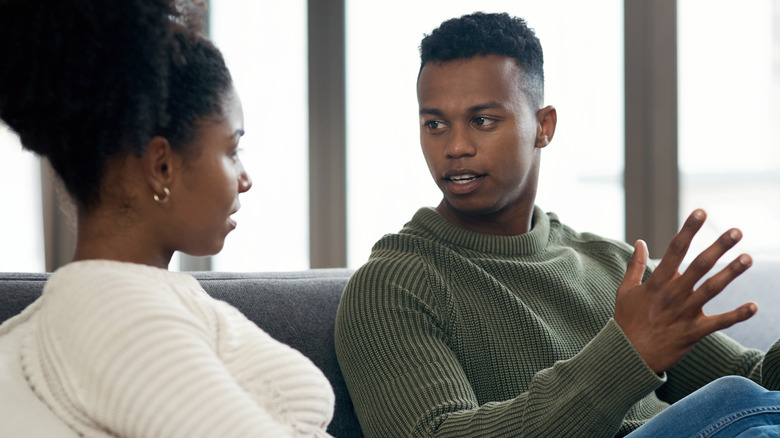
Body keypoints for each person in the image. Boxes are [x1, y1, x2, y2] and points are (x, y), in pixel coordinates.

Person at [334, 12, 780, 437]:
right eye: (435, 124)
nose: (455, 147)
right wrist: (626, 356)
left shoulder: (611, 265)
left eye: (482, 120)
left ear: (543, 126)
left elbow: (759, 384)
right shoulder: (393, 284)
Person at [0, 0, 334, 436]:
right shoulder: (114, 313)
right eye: (232, 151)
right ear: (162, 166)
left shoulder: (131, 300)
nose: (245, 179)